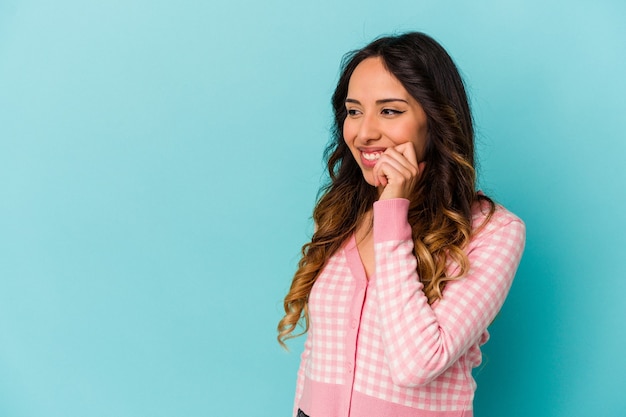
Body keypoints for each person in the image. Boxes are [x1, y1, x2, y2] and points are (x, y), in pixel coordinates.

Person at [277, 32, 526, 417]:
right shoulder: (341, 214)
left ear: (436, 119)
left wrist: (392, 213)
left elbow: (417, 363)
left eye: (390, 111)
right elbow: (315, 356)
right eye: (354, 111)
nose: (364, 132)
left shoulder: (494, 232)